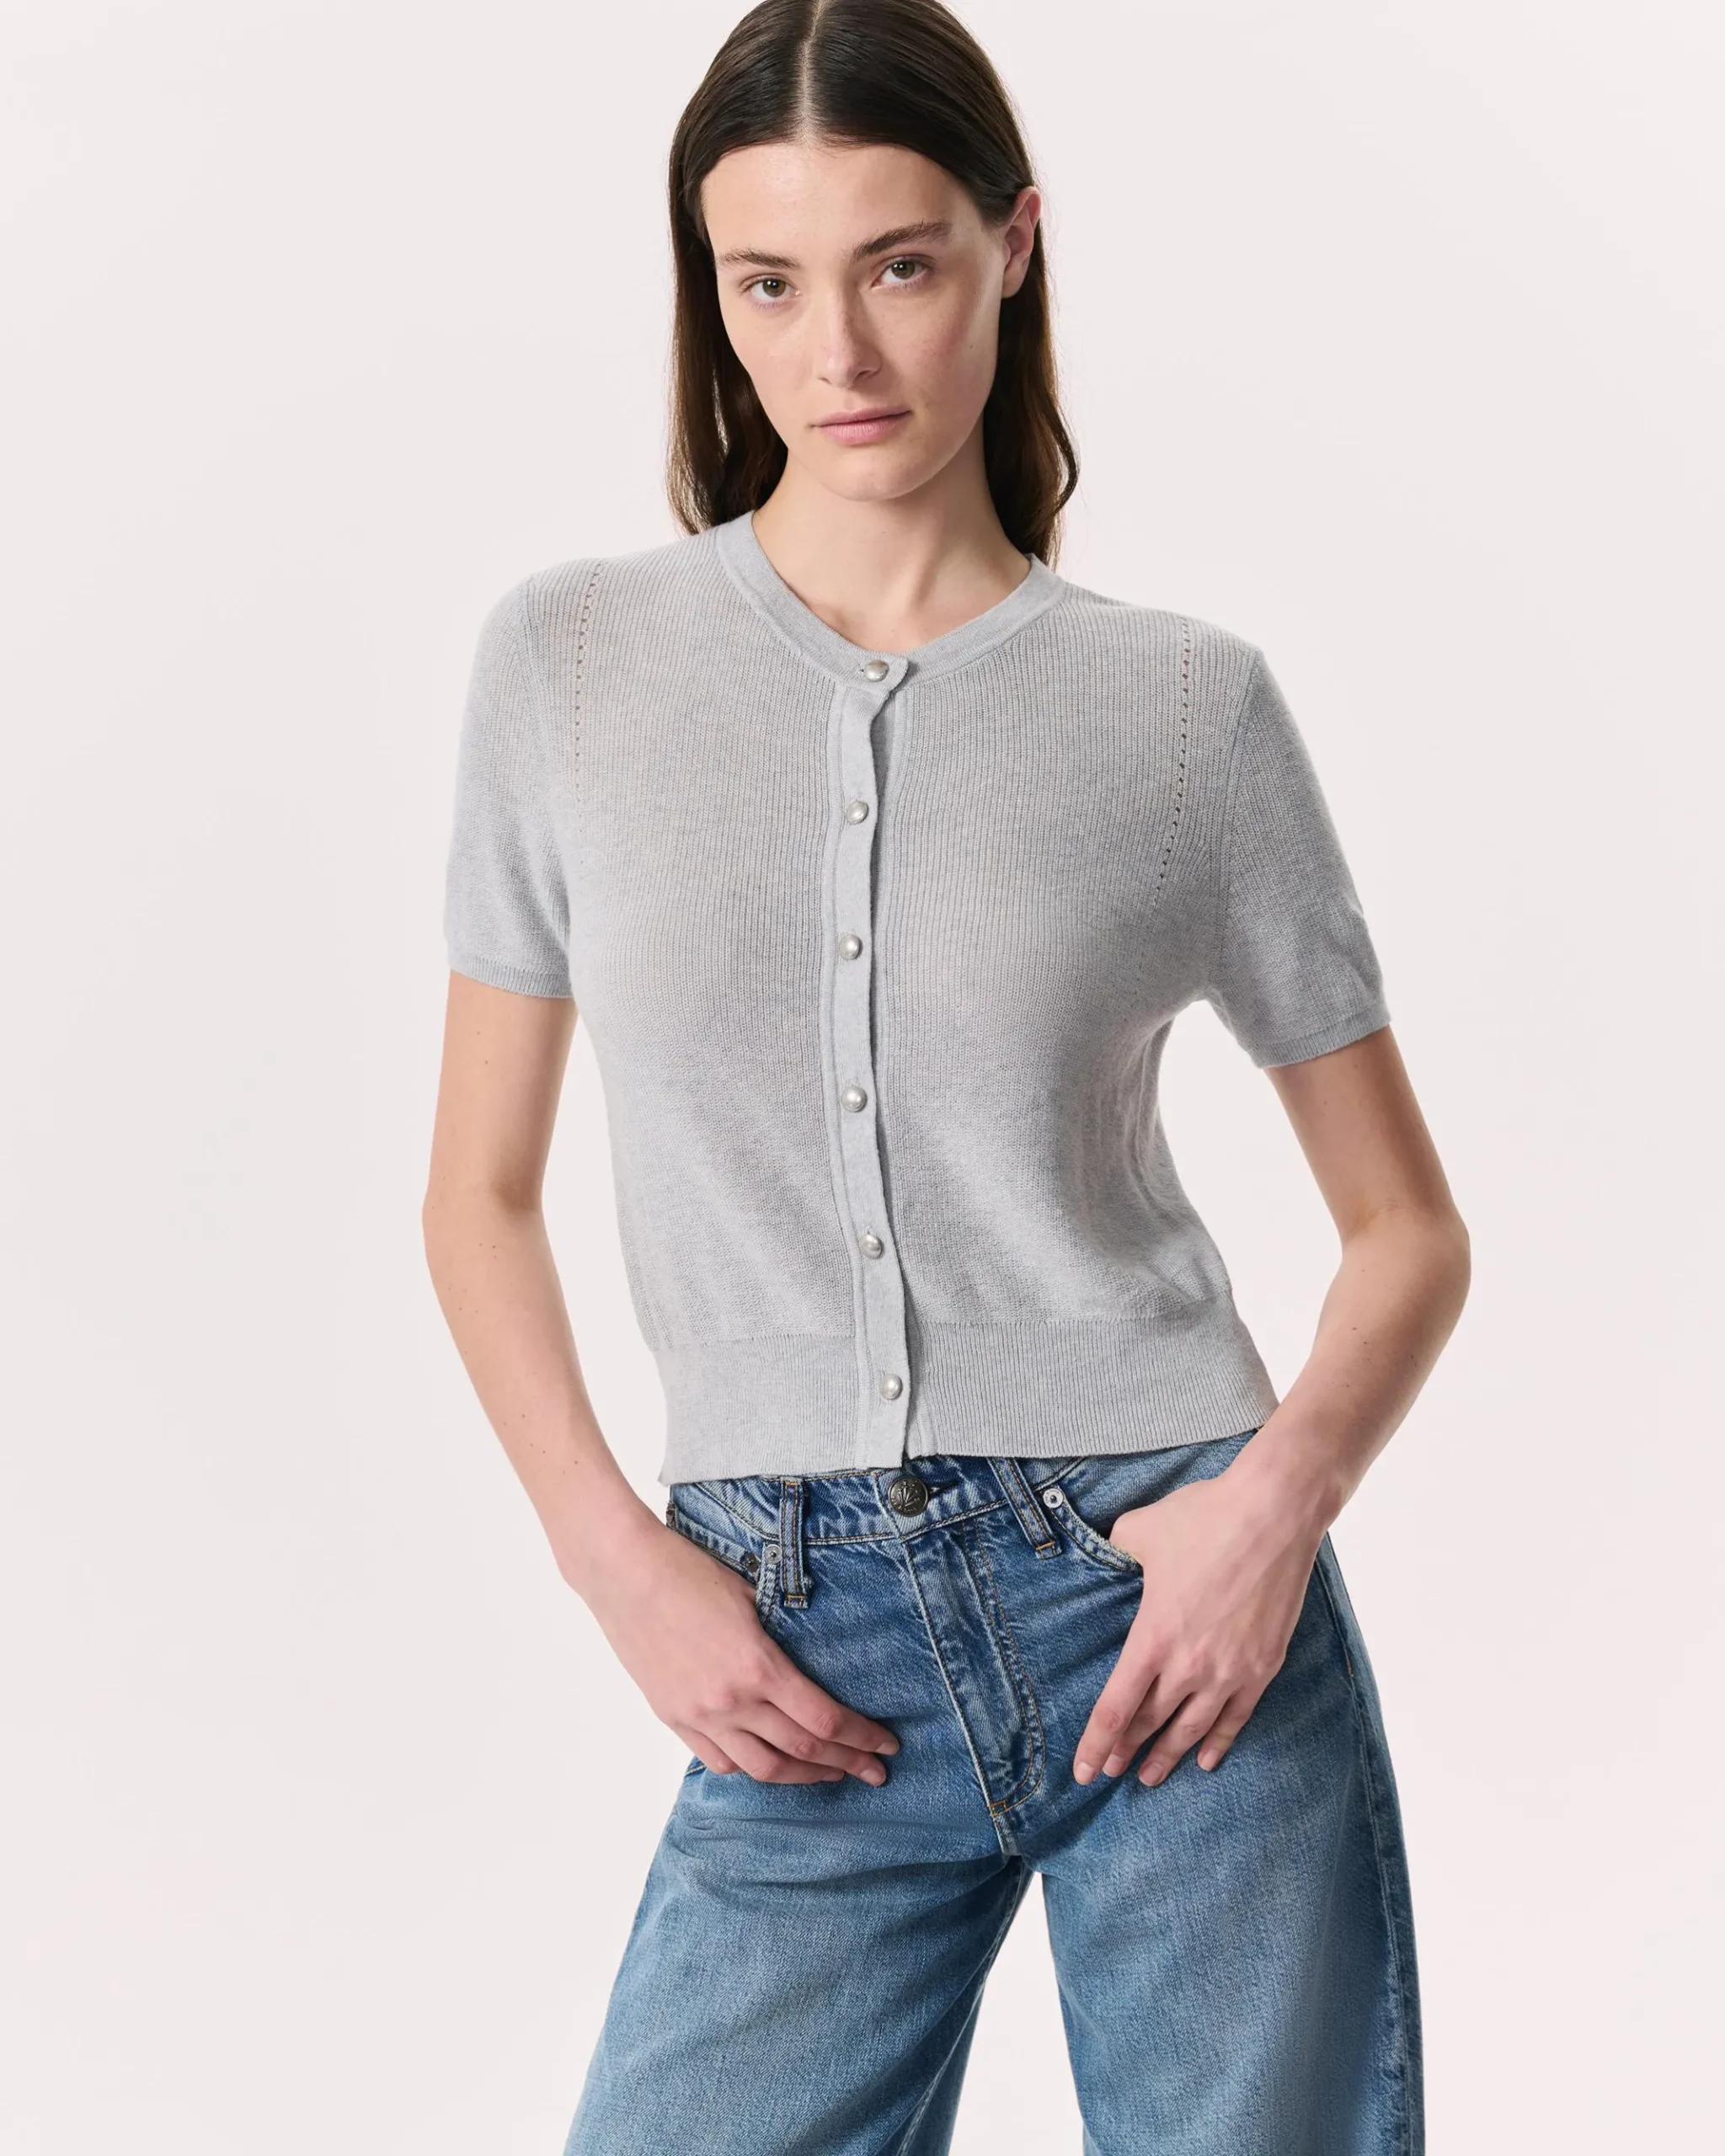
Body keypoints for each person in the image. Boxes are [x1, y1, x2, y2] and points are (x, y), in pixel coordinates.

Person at [422, 3, 1470, 2148]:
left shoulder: (1181, 716)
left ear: (1012, 245)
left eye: (899, 264)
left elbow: (1404, 1228)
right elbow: (476, 1194)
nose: (837, 352)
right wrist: (612, 1554)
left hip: (1169, 1606)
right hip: (787, 1630)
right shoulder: (570, 667)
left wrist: (1270, 1511)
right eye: (765, 282)